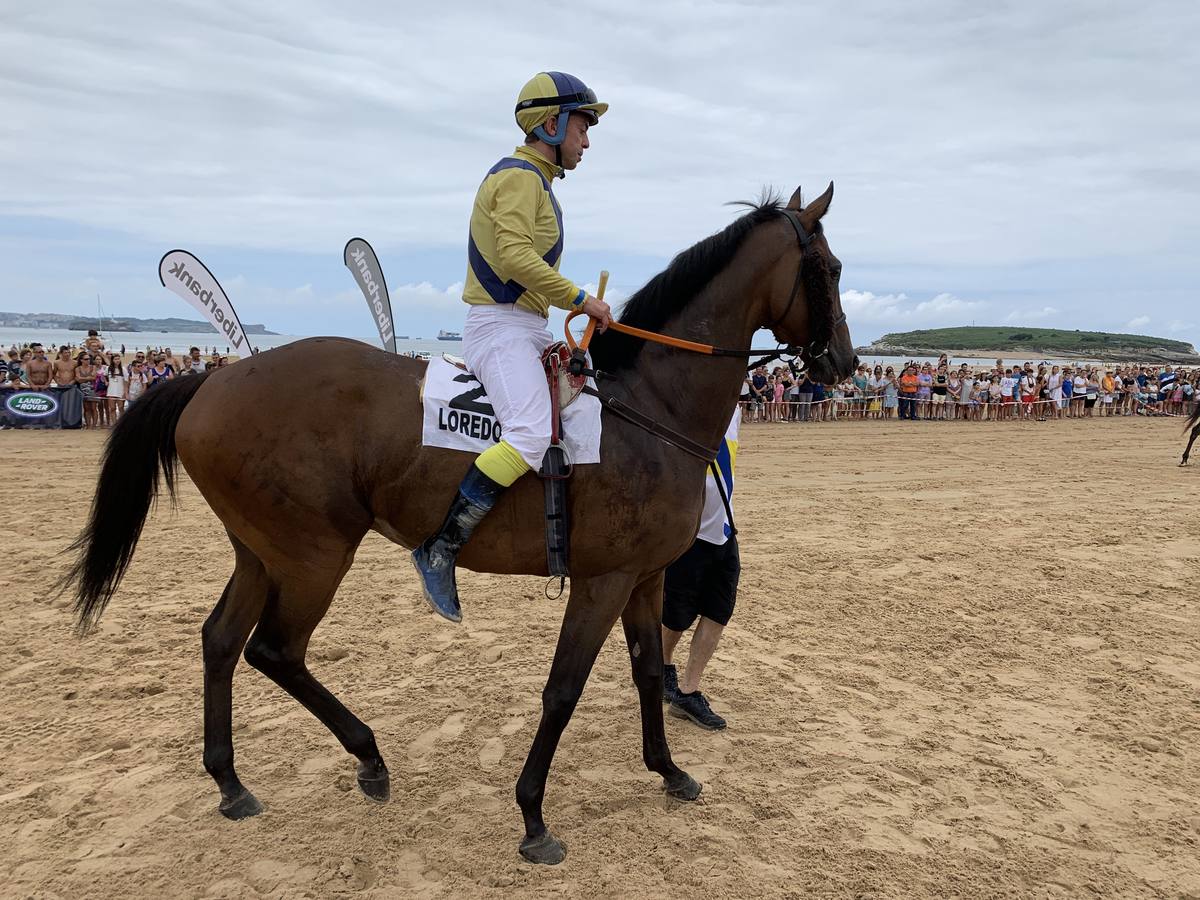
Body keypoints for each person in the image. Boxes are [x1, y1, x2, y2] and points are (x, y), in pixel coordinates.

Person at [411, 72, 612, 624]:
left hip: (525, 326)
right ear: (550, 124)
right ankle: (441, 546)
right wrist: (579, 300)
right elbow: (516, 259)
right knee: (527, 434)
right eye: (581, 126)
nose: (586, 141)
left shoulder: (537, 180)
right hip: (499, 328)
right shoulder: (521, 177)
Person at [662, 407, 740, 730]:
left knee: (719, 611)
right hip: (689, 531)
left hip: (724, 528)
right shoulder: (683, 408)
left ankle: (687, 692)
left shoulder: (733, 409)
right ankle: (660, 663)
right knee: (676, 617)